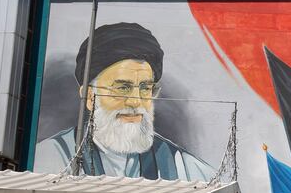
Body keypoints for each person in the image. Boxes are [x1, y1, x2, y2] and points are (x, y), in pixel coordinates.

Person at [34, 22, 214, 181]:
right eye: (122, 88)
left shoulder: (185, 168)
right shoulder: (51, 158)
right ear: (89, 96)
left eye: (145, 88)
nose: (136, 102)